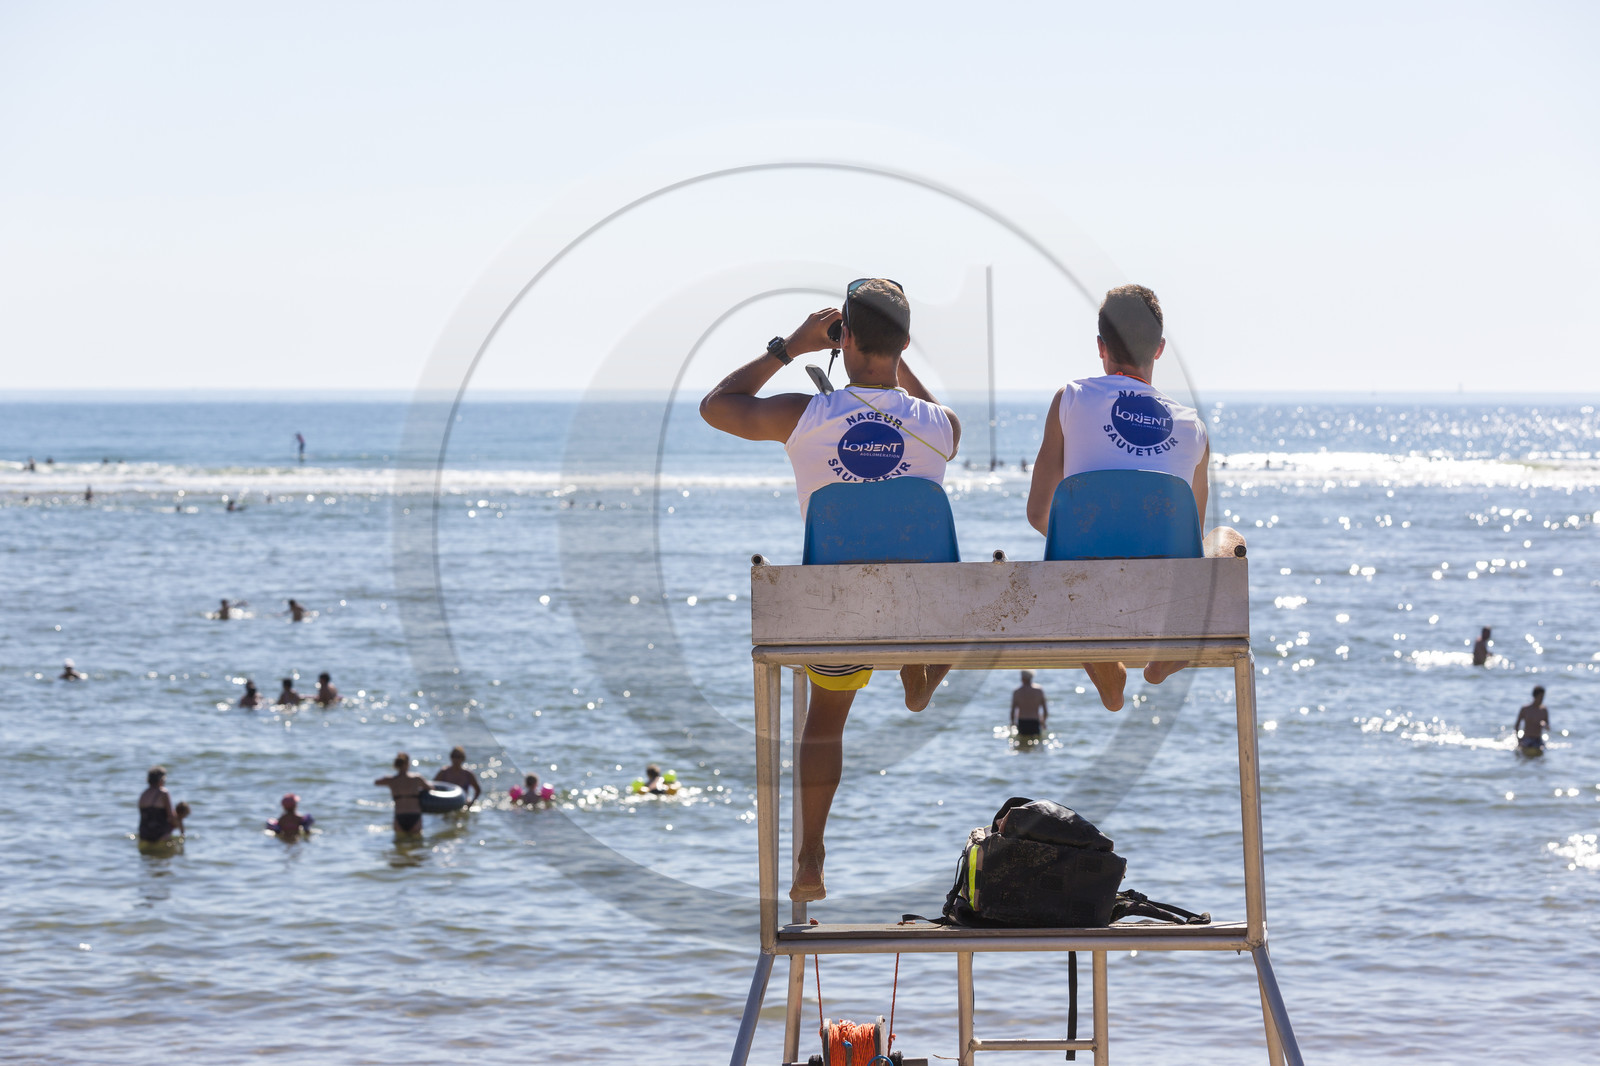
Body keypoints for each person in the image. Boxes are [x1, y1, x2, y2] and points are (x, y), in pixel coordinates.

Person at [699, 278, 962, 902]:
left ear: (840, 339)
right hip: (925, 613)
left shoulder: (804, 415)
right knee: (954, 587)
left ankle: (812, 853)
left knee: (826, 721)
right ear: (904, 342)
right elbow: (926, 412)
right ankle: (919, 673)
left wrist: (787, 348)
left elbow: (717, 405)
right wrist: (896, 360)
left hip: (839, 607)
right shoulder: (941, 426)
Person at [1025, 284, 1244, 712]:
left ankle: (1109, 676)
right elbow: (1189, 540)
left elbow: (1038, 513)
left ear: (1100, 347)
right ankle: (1167, 657)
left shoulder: (1070, 399)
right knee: (1225, 538)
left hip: (1082, 586)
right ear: (1159, 349)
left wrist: (1092, 536)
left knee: (1073, 557)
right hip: (1163, 588)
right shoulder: (1193, 427)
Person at [375, 751, 430, 835]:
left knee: (399, 845)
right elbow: (430, 788)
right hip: (414, 815)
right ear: (408, 763)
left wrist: (389, 778)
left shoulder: (391, 780)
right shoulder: (416, 778)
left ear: (396, 764)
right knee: (417, 845)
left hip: (399, 816)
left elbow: (376, 782)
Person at [138, 767, 178, 843]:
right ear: (161, 780)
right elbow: (171, 817)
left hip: (144, 835)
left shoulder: (143, 794)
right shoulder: (163, 793)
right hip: (160, 835)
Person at [1010, 670, 1049, 737]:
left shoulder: (1017, 692)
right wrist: (1043, 722)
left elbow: (1013, 710)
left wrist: (1013, 723)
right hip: (1035, 721)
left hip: (1022, 721)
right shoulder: (1039, 690)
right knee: (1035, 743)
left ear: (1022, 678)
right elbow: (1045, 710)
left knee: (1022, 744)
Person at [1515, 685, 1548, 753]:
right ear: (1535, 696)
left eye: (1543, 697)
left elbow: (1548, 727)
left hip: (1538, 739)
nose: (1542, 699)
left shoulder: (1544, 710)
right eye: (1540, 697)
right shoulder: (1525, 709)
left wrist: (1544, 724)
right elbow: (1517, 725)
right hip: (1527, 738)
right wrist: (1519, 739)